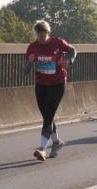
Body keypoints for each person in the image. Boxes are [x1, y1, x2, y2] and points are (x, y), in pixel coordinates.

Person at [25, 20, 76, 160]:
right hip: (41, 85)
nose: (41, 38)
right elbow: (25, 71)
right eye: (38, 35)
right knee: (46, 115)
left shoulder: (58, 43)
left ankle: (42, 149)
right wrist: (29, 62)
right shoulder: (32, 47)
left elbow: (73, 50)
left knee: (48, 116)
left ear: (48, 33)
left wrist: (70, 60)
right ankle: (57, 142)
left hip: (57, 84)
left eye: (43, 34)